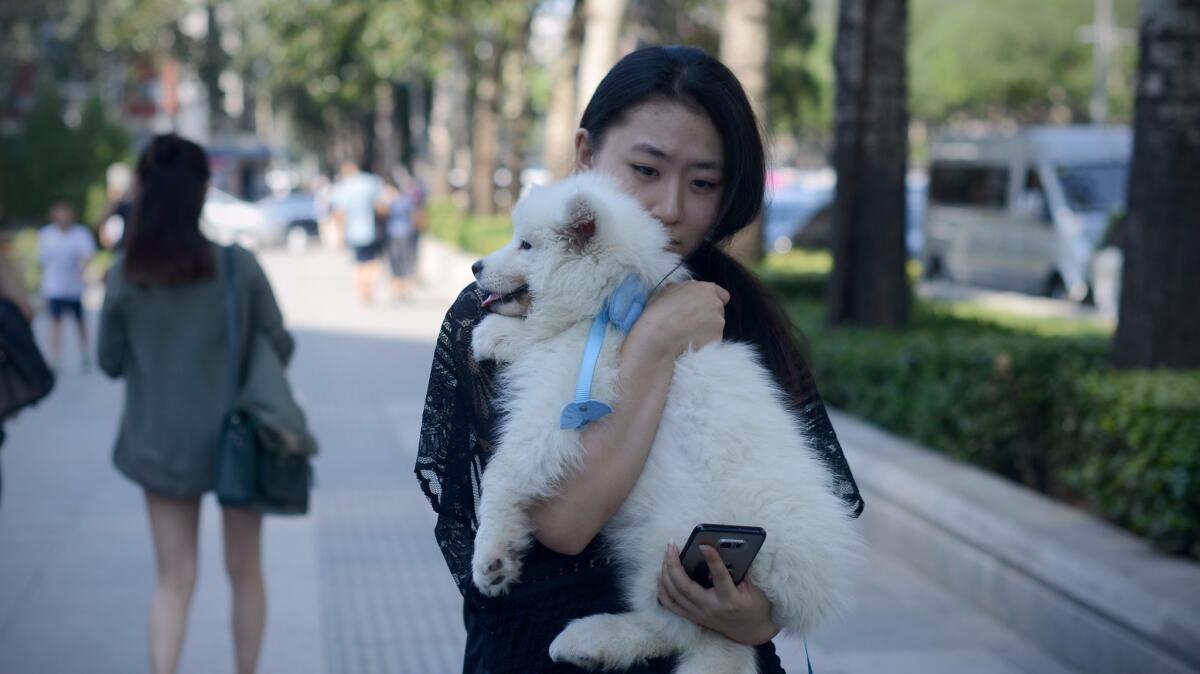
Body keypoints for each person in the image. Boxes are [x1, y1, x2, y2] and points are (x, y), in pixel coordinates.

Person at [416, 46, 864, 673]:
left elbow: (783, 537)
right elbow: (563, 523)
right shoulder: (500, 309)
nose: (672, 207)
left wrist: (750, 616)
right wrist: (652, 343)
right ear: (587, 157)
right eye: (646, 170)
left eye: (703, 183)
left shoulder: (740, 311)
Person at [98, 134, 293, 674]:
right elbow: (280, 345)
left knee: (173, 578)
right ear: (204, 190)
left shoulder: (126, 275)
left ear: (143, 191)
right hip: (241, 440)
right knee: (245, 571)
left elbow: (110, 360)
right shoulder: (237, 267)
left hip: (159, 445)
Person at [37, 202, 96, 372]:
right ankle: (55, 358)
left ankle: (85, 353)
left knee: (80, 322)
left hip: (74, 288)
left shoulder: (80, 233)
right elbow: (42, 260)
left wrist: (82, 268)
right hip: (54, 287)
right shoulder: (47, 234)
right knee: (56, 322)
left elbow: (87, 255)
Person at [330, 161, 384, 305]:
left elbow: (339, 213)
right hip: (371, 231)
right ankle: (369, 290)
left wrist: (340, 234)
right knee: (372, 264)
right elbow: (380, 206)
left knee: (359, 265)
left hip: (353, 233)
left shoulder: (343, 187)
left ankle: (363, 292)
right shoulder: (370, 182)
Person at [380, 177, 420, 301]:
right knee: (406, 261)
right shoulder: (407, 200)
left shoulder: (390, 202)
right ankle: (405, 288)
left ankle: (398, 289)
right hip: (407, 233)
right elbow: (415, 216)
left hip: (393, 234)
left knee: (395, 262)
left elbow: (383, 215)